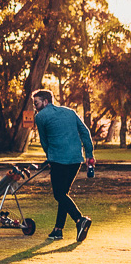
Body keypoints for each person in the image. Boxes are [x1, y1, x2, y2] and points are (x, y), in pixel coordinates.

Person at [32, 89, 95, 242]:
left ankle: (80, 220)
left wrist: (50, 157)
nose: (35, 106)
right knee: (64, 193)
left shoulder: (40, 116)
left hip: (59, 159)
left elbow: (44, 141)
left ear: (46, 101)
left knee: (59, 194)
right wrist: (89, 155)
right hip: (75, 159)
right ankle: (58, 230)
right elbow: (85, 133)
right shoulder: (70, 112)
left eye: (37, 103)